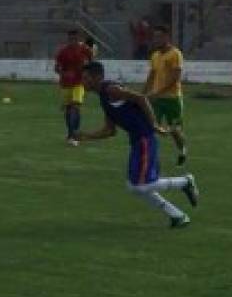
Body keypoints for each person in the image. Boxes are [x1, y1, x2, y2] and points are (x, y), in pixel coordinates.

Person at [76, 61, 199, 229]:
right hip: (137, 142)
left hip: (145, 139)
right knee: (134, 187)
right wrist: (86, 136)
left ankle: (185, 182)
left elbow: (141, 98)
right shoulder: (104, 99)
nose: (83, 81)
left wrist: (154, 124)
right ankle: (178, 216)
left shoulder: (111, 90)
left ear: (97, 77)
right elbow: (110, 130)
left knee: (142, 186)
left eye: (86, 78)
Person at [145, 25, 189, 166]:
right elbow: (151, 76)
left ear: (166, 37)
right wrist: (141, 94)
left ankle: (182, 150)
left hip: (172, 98)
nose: (156, 40)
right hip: (156, 100)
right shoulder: (155, 56)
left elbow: (175, 77)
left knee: (175, 130)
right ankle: (151, 157)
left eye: (159, 37)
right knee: (150, 127)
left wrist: (158, 92)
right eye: (155, 37)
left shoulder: (175, 54)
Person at [54, 29, 93, 145]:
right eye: (71, 39)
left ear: (79, 38)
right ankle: (71, 133)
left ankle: (73, 135)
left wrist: (88, 75)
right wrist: (63, 73)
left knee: (75, 107)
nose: (73, 41)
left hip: (79, 83)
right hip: (66, 84)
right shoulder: (63, 52)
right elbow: (56, 68)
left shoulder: (85, 49)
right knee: (69, 109)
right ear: (68, 39)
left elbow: (91, 63)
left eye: (75, 39)